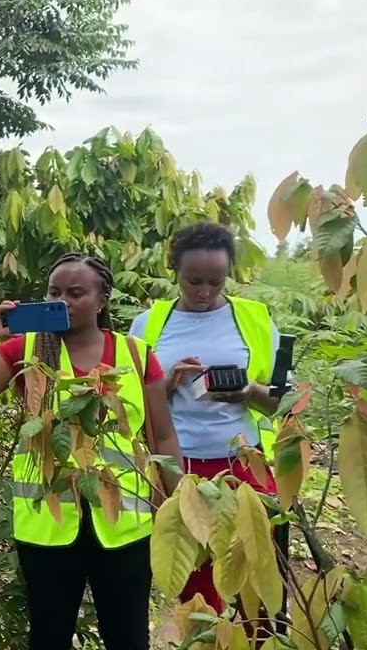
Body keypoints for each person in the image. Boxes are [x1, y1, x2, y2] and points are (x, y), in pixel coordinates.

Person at [0, 252, 183, 650]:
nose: (63, 300)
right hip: (47, 524)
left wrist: (179, 505)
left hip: (124, 527)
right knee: (48, 635)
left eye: (76, 292)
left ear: (102, 300)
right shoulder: (25, 350)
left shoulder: (135, 354)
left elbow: (162, 438)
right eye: (54, 291)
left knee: (128, 637)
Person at [129, 221, 286, 627]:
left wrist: (247, 391)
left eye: (215, 281)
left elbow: (282, 401)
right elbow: (130, 405)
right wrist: (167, 384)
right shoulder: (149, 325)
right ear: (174, 272)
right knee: (195, 586)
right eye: (192, 280)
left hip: (244, 465)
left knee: (258, 575)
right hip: (180, 470)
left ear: (229, 273)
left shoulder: (255, 320)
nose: (203, 291)